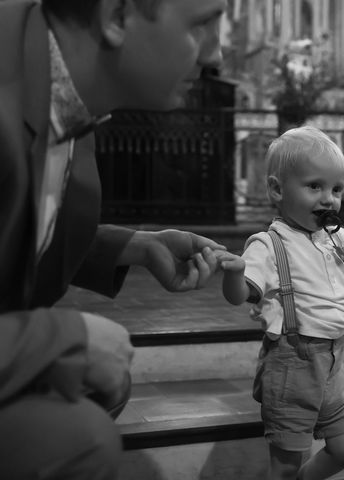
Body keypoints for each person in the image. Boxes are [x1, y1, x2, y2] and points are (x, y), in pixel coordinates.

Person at [0, 0, 228, 479]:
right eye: (204, 22)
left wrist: (133, 246)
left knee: (104, 386)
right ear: (117, 16)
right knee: (77, 440)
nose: (216, 55)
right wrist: (64, 338)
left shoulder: (63, 87)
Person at [215, 126, 344, 479]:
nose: (328, 198)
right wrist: (234, 273)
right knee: (285, 464)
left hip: (331, 362)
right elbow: (239, 295)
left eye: (336, 189)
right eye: (314, 186)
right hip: (292, 365)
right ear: (276, 189)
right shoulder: (269, 244)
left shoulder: (336, 239)